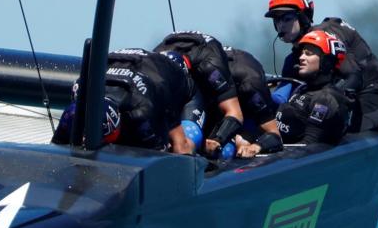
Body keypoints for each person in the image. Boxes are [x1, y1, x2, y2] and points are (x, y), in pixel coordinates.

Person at [264, 0, 378, 132]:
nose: (281, 25)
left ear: (304, 17)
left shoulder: (327, 35)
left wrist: (326, 104)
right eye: (277, 20)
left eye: (287, 18)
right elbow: (282, 98)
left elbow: (354, 77)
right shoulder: (291, 61)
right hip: (334, 102)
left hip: (368, 99)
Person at [51, 47, 204, 154]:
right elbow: (56, 149)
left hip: (165, 85)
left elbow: (158, 162)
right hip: (124, 68)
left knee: (180, 147)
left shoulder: (141, 113)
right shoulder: (72, 113)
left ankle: (205, 150)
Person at [241, 30, 353, 155]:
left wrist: (261, 146)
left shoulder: (324, 99)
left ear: (327, 61)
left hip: (287, 161)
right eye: (302, 53)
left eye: (308, 54)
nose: (301, 58)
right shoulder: (303, 88)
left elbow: (308, 146)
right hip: (270, 146)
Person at [154, 31, 243, 157]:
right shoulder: (152, 68)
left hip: (205, 65)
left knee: (223, 151)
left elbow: (235, 113)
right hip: (162, 81)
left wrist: (217, 140)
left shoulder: (210, 66)